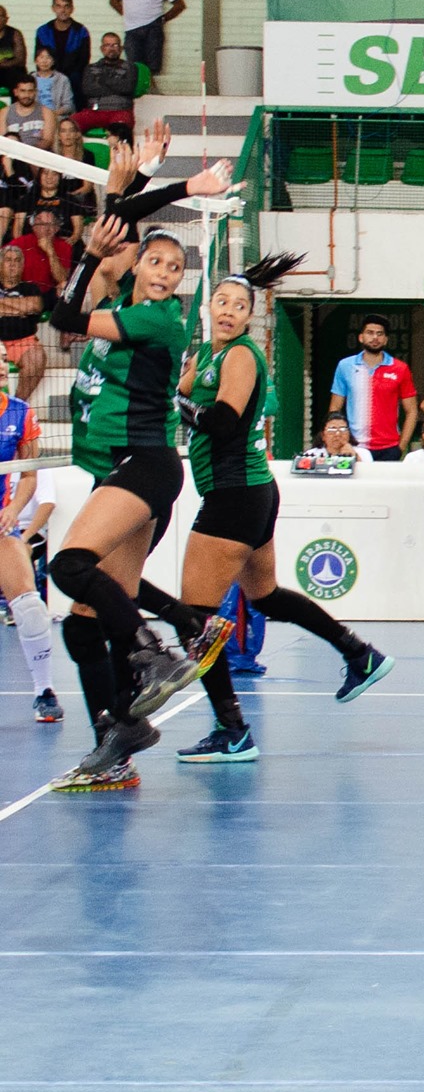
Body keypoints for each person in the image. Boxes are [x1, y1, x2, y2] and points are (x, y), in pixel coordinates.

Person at [44, 144, 242, 790]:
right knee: (82, 626)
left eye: (172, 266)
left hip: (146, 465)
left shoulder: (155, 319)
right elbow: (119, 222)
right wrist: (142, 184)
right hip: (119, 470)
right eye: (153, 260)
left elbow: (66, 315)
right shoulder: (123, 304)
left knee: (70, 567)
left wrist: (189, 184)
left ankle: (154, 649)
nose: (161, 271)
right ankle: (118, 737)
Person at [172, 254, 393, 762]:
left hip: (235, 494)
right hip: (248, 493)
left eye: (239, 305)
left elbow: (221, 421)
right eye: (222, 302)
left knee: (197, 616)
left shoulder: (241, 356)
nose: (228, 311)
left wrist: (181, 403)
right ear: (209, 306)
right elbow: (183, 397)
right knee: (265, 595)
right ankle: (358, 654)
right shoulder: (208, 353)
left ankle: (233, 731)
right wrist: (181, 391)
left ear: (251, 315)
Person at [0, 391, 60, 721]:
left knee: (30, 607)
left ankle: (44, 691)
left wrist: (13, 508)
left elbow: (29, 473)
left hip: (0, 526)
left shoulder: (20, 413)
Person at [328, 313, 416, 461]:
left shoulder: (400, 368)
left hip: (389, 448)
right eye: (370, 333)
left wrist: (401, 446)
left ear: (386, 339)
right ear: (361, 337)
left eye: (380, 334)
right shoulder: (345, 366)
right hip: (354, 446)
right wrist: (341, 442)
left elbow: (412, 411)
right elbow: (334, 409)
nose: (375, 337)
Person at [0, 244, 46, 402]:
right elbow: (26, 307)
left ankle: (16, 406)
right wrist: (20, 308)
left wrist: (3, 305)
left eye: (17, 260)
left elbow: (34, 306)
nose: (12, 264)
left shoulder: (30, 288)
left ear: (22, 265)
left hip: (23, 341)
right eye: (8, 260)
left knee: (37, 357)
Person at [74, 33, 137, 138]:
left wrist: (103, 80)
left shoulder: (130, 67)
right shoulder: (91, 68)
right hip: (94, 112)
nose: (111, 49)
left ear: (121, 48)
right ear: (102, 48)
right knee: (70, 124)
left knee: (121, 130)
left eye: (115, 45)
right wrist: (116, 86)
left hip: (120, 111)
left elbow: (127, 88)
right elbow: (88, 90)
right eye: (107, 45)